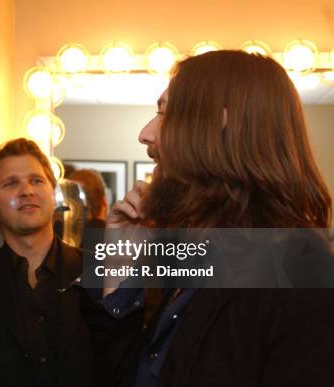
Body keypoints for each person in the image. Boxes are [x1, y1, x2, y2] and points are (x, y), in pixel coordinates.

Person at [83, 50, 333, 387]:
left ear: (220, 123)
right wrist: (119, 261)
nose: (145, 134)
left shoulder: (299, 270)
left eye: (164, 112)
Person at [0, 138, 98, 387]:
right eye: (11, 183)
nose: (27, 191)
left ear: (53, 193)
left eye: (37, 181)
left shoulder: (97, 272)